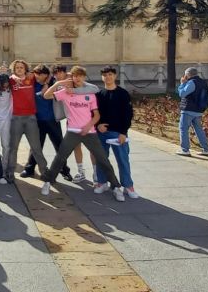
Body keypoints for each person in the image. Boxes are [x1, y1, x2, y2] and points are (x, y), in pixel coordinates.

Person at [41, 66, 124, 202]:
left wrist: (88, 126)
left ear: (84, 77)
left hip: (89, 132)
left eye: (80, 75)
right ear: (71, 77)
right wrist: (58, 83)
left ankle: (116, 187)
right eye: (75, 76)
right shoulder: (65, 92)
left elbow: (96, 115)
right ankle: (48, 182)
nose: (77, 78)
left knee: (103, 159)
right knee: (60, 157)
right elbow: (46, 95)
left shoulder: (89, 94)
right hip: (73, 131)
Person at [20, 65, 72, 181]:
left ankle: (64, 170)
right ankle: (29, 169)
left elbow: (68, 77)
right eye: (36, 73)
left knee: (60, 147)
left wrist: (51, 82)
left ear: (46, 75)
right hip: (38, 121)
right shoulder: (33, 83)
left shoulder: (54, 83)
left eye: (39, 74)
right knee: (36, 147)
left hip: (53, 121)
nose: (37, 76)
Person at [94, 66, 138, 199]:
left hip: (118, 133)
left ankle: (128, 186)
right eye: (105, 75)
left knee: (123, 160)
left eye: (110, 74)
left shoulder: (123, 93)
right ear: (102, 77)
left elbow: (128, 114)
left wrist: (123, 132)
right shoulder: (99, 95)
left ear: (115, 76)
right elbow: (94, 113)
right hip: (102, 132)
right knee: (101, 159)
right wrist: (97, 125)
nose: (108, 77)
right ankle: (102, 182)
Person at [4, 60, 49, 183]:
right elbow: (0, 78)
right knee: (13, 147)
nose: (19, 69)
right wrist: (13, 76)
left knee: (36, 147)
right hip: (16, 118)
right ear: (14, 69)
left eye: (21, 67)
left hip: (31, 118)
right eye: (17, 67)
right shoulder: (11, 79)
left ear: (25, 69)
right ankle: (10, 172)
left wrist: (46, 85)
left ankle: (45, 171)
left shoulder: (32, 78)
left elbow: (47, 74)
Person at [176, 67, 208, 156]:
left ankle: (185, 150)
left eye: (185, 75)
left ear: (188, 75)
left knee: (183, 129)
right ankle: (206, 149)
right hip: (199, 110)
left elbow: (182, 94)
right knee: (199, 130)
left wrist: (182, 84)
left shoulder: (191, 82)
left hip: (188, 110)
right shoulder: (203, 82)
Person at [0, 72, 13, 175]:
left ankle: (4, 167)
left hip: (7, 120)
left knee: (6, 145)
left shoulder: (11, 90)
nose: (5, 87)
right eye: (3, 84)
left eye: (7, 84)